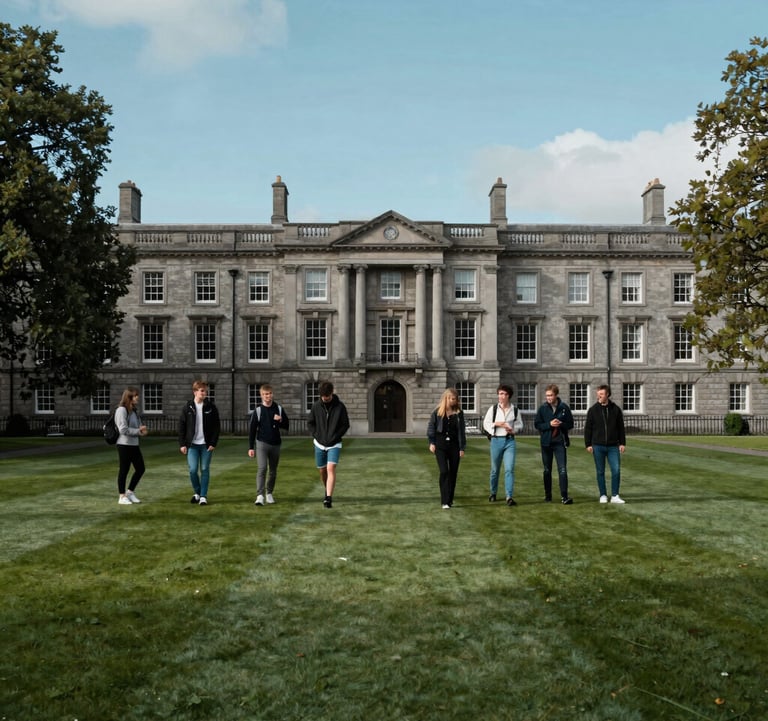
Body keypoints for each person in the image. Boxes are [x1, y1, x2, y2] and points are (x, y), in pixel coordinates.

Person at [307, 381, 350, 509]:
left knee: (331, 468)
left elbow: (345, 424)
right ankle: (327, 489)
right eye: (323, 397)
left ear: (332, 393)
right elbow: (310, 423)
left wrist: (336, 436)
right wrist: (317, 435)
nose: (326, 399)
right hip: (319, 443)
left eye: (328, 396)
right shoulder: (316, 406)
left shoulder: (340, 407)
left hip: (334, 444)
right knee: (322, 470)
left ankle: (328, 498)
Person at [178, 380, 221, 506]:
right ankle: (197, 492)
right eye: (202, 391)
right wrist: (182, 444)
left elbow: (216, 426)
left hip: (206, 445)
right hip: (192, 445)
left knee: (204, 469)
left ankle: (203, 496)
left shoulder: (211, 407)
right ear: (195, 392)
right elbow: (181, 426)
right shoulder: (188, 407)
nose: (204, 393)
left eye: (205, 391)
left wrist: (213, 442)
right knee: (192, 470)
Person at [583, 384, 627, 504]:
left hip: (613, 446)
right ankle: (603, 495)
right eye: (598, 394)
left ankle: (615, 496)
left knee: (616, 470)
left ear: (607, 394)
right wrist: (588, 444)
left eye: (601, 394)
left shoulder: (615, 409)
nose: (599, 396)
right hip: (598, 446)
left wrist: (622, 443)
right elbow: (588, 429)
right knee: (600, 471)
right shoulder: (593, 410)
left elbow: (621, 428)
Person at [248, 384, 290, 505]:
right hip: (261, 443)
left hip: (276, 444)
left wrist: (280, 420)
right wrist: (251, 447)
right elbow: (252, 430)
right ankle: (260, 495)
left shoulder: (279, 408)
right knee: (262, 468)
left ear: (272, 394)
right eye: (266, 394)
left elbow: (286, 426)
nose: (268, 396)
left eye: (270, 393)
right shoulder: (258, 410)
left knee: (273, 471)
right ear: (262, 396)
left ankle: (269, 493)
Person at [482, 384, 524, 506]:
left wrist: (513, 429)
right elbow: (486, 423)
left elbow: (520, 425)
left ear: (509, 396)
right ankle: (493, 492)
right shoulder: (493, 409)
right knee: (495, 469)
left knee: (509, 469)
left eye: (505, 394)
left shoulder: (515, 410)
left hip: (509, 441)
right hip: (496, 441)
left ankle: (509, 496)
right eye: (500, 393)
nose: (502, 396)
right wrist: (497, 424)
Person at [534, 384, 575, 504]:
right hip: (546, 443)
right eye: (547, 395)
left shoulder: (564, 408)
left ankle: (564, 496)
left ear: (556, 395)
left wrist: (560, 424)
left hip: (559, 443)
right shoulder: (542, 409)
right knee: (547, 470)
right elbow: (537, 425)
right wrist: (549, 425)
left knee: (562, 469)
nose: (549, 398)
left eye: (551, 395)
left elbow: (570, 424)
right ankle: (548, 496)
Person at [427, 388, 467, 509]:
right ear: (446, 398)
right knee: (444, 471)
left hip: (454, 446)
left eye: (455, 399)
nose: (454, 401)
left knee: (453, 473)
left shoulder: (459, 413)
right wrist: (431, 442)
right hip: (440, 446)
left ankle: (449, 499)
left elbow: (461, 431)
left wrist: (462, 448)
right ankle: (444, 501)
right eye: (452, 399)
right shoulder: (437, 412)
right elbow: (431, 428)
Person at [115, 386, 148, 505]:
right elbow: (122, 430)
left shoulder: (133, 410)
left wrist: (142, 430)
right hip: (124, 445)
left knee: (140, 468)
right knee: (124, 469)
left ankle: (130, 492)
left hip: (134, 444)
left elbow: (137, 427)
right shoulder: (121, 410)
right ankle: (122, 496)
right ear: (129, 397)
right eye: (135, 395)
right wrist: (138, 431)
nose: (137, 398)